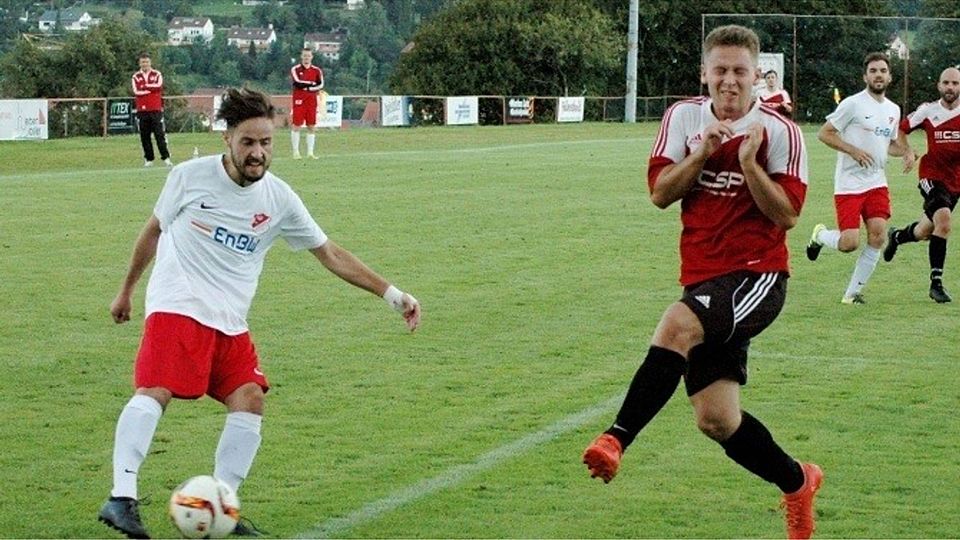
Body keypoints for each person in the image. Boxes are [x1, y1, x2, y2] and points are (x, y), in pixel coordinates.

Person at [97, 87, 421, 539]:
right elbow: (153, 231)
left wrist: (392, 294)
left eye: (266, 143)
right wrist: (126, 292)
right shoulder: (190, 178)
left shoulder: (279, 199)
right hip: (178, 303)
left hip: (229, 318)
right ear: (227, 138)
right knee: (158, 389)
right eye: (248, 142)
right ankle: (121, 496)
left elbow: (329, 253)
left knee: (249, 398)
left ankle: (221, 510)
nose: (258, 152)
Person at [581, 25, 822, 539]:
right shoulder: (683, 118)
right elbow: (659, 194)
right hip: (702, 277)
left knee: (675, 327)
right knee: (716, 419)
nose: (729, 81)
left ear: (756, 75)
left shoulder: (779, 131)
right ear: (705, 73)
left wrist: (748, 166)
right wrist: (701, 154)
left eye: (740, 72)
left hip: (758, 276)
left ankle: (615, 438)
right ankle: (798, 481)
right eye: (721, 71)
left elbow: (789, 216)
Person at [806, 52, 913, 304]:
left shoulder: (893, 109)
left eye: (883, 71)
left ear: (889, 76)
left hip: (876, 182)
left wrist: (907, 151)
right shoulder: (852, 104)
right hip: (849, 184)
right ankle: (820, 236)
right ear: (865, 76)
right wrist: (853, 150)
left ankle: (851, 294)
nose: (878, 75)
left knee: (878, 236)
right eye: (873, 71)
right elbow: (825, 134)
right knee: (849, 243)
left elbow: (889, 145)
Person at [883, 67, 960, 303]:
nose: (950, 87)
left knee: (925, 231)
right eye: (946, 83)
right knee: (944, 222)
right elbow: (900, 130)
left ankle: (896, 237)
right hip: (931, 176)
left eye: (955, 84)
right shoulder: (928, 111)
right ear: (938, 85)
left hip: (955, 182)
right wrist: (907, 151)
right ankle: (936, 283)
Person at [132, 53, 172, 168]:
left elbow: (158, 87)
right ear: (140, 63)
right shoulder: (136, 76)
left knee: (160, 134)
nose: (145, 64)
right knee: (145, 136)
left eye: (147, 62)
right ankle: (149, 159)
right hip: (142, 110)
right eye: (143, 62)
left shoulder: (157, 74)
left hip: (155, 109)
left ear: (150, 63)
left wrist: (145, 86)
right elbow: (136, 92)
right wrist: (150, 89)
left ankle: (166, 158)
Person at [290, 47, 324, 160]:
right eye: (304, 56)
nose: (306, 58)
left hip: (311, 100)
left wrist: (309, 89)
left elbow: (320, 84)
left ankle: (310, 153)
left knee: (311, 126)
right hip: (299, 100)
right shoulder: (295, 69)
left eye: (308, 56)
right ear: (301, 56)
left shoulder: (317, 70)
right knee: (297, 125)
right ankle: (296, 152)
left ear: (312, 57)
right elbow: (297, 83)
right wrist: (311, 83)